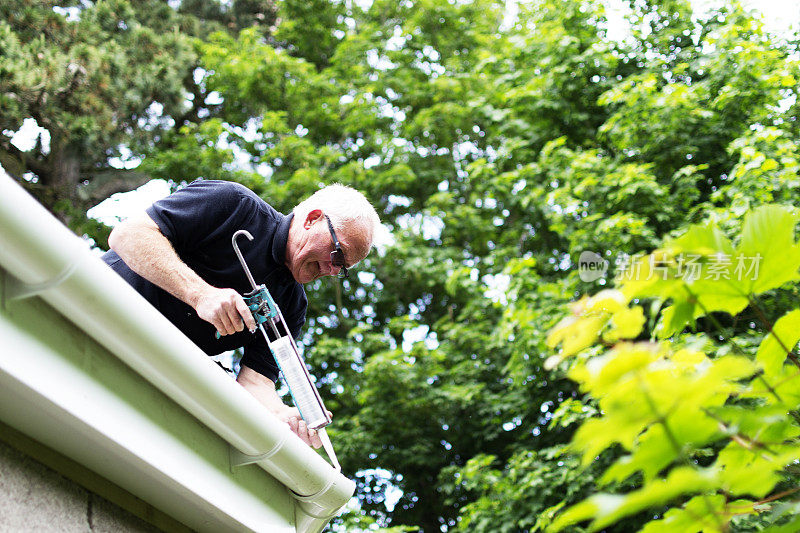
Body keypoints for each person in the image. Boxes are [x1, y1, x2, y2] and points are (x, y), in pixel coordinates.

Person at [103, 179, 380, 449]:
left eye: (342, 268)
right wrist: (199, 294)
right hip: (97, 312)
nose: (333, 271)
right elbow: (127, 236)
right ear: (313, 219)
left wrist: (283, 415)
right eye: (337, 254)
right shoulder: (233, 204)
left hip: (146, 374)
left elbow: (255, 381)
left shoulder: (292, 306)